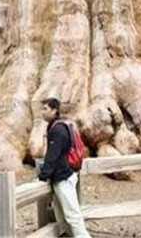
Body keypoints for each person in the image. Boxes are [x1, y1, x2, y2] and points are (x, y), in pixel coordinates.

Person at [38, 98, 91, 238]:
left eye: (45, 109)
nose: (42, 112)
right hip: (64, 175)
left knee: (72, 214)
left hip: (63, 177)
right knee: (63, 216)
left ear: (54, 111)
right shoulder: (58, 126)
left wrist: (43, 176)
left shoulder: (58, 129)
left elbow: (53, 155)